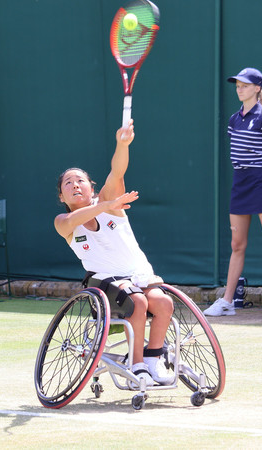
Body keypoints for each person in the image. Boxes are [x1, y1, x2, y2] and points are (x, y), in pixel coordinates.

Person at [54, 120, 175, 386]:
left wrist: (122, 144)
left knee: (164, 303)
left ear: (92, 187)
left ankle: (153, 360)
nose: (75, 185)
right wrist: (108, 203)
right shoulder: (64, 221)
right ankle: (137, 364)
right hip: (105, 283)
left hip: (139, 274)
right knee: (138, 303)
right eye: (68, 183)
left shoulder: (109, 203)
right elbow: (75, 219)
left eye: (81, 181)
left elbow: (116, 171)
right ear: (62, 196)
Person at [204, 68, 262, 320]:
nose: (239, 88)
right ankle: (227, 301)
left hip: (260, 180)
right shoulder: (234, 120)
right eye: (237, 85)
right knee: (237, 244)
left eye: (245, 85)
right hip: (240, 182)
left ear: (257, 88)